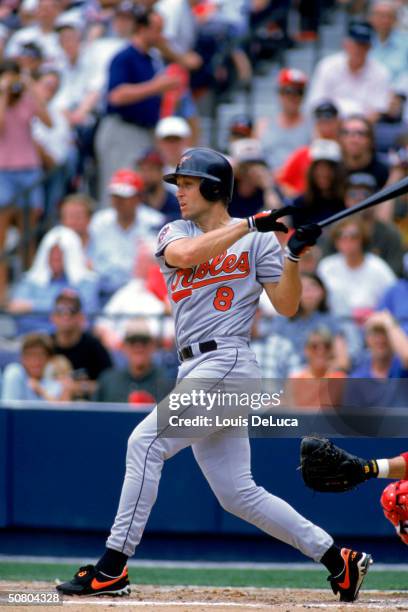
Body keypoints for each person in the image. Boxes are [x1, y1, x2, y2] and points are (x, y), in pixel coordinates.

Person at [57, 147, 372, 602]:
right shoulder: (176, 231)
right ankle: (337, 559)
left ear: (212, 188)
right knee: (237, 494)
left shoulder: (260, 238)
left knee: (144, 444)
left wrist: (294, 255)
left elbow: (285, 306)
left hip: (228, 363)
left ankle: (111, 567)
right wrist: (247, 225)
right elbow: (185, 256)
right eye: (179, 184)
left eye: (187, 183)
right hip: (196, 367)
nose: (179, 192)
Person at [95, 6, 181, 203]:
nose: (161, 36)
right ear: (142, 29)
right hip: (122, 130)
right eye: (157, 30)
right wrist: (156, 86)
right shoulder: (125, 57)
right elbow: (116, 96)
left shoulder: (151, 58)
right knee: (119, 187)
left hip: (143, 131)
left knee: (138, 190)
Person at [89, 168, 164, 302]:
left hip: (142, 293)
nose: (118, 202)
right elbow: (90, 261)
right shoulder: (99, 222)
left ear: (138, 198)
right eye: (115, 196)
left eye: (124, 197)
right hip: (103, 291)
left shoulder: (155, 222)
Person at [306, 20, 390, 120]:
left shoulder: (380, 72)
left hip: (362, 127)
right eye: (355, 44)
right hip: (330, 122)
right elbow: (316, 103)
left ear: (370, 47)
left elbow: (378, 110)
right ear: (345, 44)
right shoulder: (327, 66)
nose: (358, 49)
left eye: (363, 45)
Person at [317, 218, 396, 320]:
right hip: (334, 323)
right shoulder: (326, 266)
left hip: (371, 323)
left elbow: (394, 296)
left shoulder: (377, 266)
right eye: (340, 236)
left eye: (353, 236)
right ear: (335, 241)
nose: (347, 240)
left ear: (362, 239)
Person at [51, 288, 113, 399]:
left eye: (72, 310)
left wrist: (77, 387)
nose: (66, 315)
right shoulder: (46, 345)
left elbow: (111, 385)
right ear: (52, 317)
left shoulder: (94, 347)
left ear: (81, 317)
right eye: (60, 310)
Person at [94, 319, 172, 404]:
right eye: (132, 341)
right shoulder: (108, 381)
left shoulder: (168, 381)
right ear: (124, 346)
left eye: (144, 341)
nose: (138, 347)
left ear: (153, 345)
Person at [276, 100, 341, 197]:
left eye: (329, 120)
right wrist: (298, 199)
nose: (325, 125)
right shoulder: (303, 153)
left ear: (337, 122)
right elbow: (282, 181)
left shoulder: (344, 152)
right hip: (306, 205)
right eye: (321, 120)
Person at [257, 68, 311, 171]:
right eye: (288, 91)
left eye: (299, 92)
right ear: (280, 93)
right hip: (266, 181)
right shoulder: (263, 125)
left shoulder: (312, 127)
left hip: (298, 183)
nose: (293, 96)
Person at [289, 139, 346, 227]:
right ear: (312, 171)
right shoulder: (300, 204)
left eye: (329, 168)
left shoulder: (346, 201)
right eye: (319, 168)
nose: (324, 173)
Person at [1, 332, 70, 401]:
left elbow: (60, 409)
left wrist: (41, 391)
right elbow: (9, 409)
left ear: (49, 359)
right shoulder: (15, 372)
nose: (35, 361)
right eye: (30, 355)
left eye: (40, 355)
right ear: (22, 358)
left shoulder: (55, 385)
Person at [339, 114, 389, 189]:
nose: (353, 140)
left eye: (360, 133)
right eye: (346, 133)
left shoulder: (385, 171)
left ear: (370, 139)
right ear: (340, 139)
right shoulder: (333, 171)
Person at [137, 148, 180, 222]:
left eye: (150, 169)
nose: (145, 175)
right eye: (142, 170)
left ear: (162, 172)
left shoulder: (176, 204)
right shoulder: (136, 203)